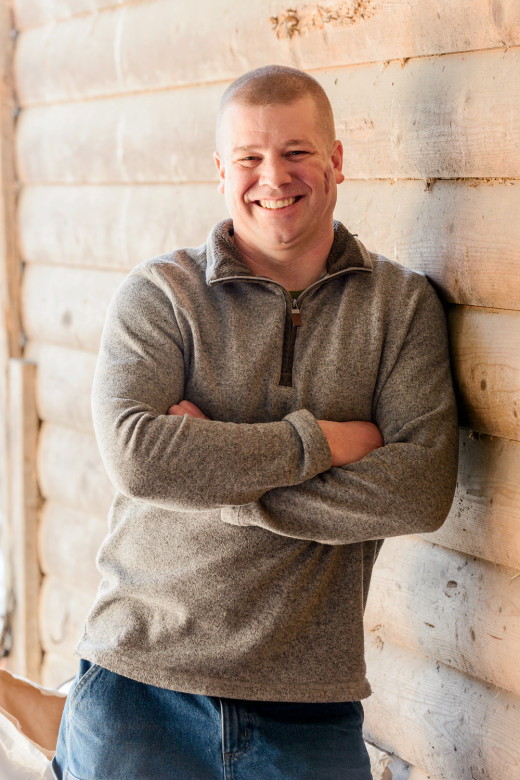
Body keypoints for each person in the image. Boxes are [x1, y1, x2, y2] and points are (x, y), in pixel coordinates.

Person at [52, 65, 458, 780]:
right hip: (140, 690)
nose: (274, 176)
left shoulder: (399, 307)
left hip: (307, 707)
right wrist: (324, 442)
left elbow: (419, 489)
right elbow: (140, 458)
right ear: (221, 172)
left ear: (335, 161)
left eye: (297, 152)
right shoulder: (160, 297)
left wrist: (222, 483)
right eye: (249, 157)